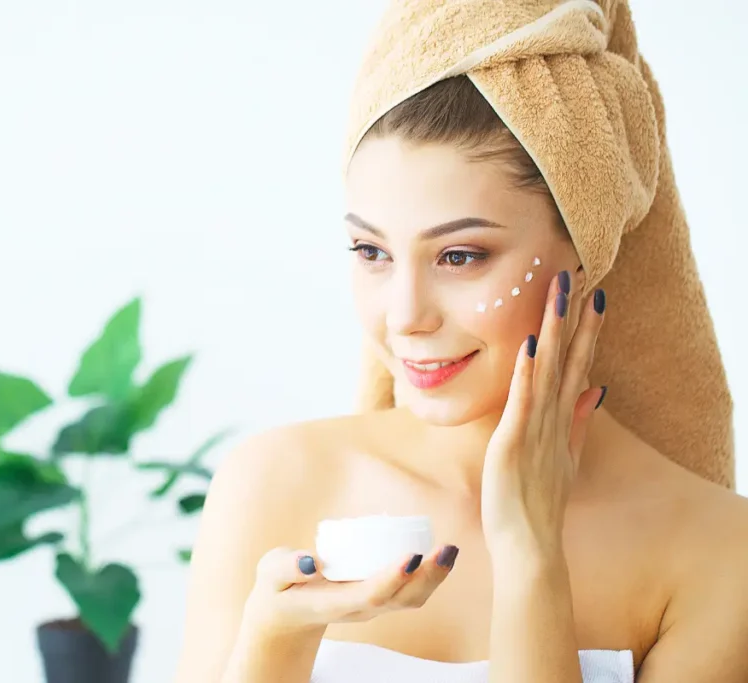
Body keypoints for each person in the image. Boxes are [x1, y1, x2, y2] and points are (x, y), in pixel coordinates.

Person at [173, 3, 748, 683]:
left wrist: (532, 559)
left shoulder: (719, 552)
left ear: (584, 248)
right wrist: (273, 641)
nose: (405, 317)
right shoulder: (272, 484)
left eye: (460, 256)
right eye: (371, 251)